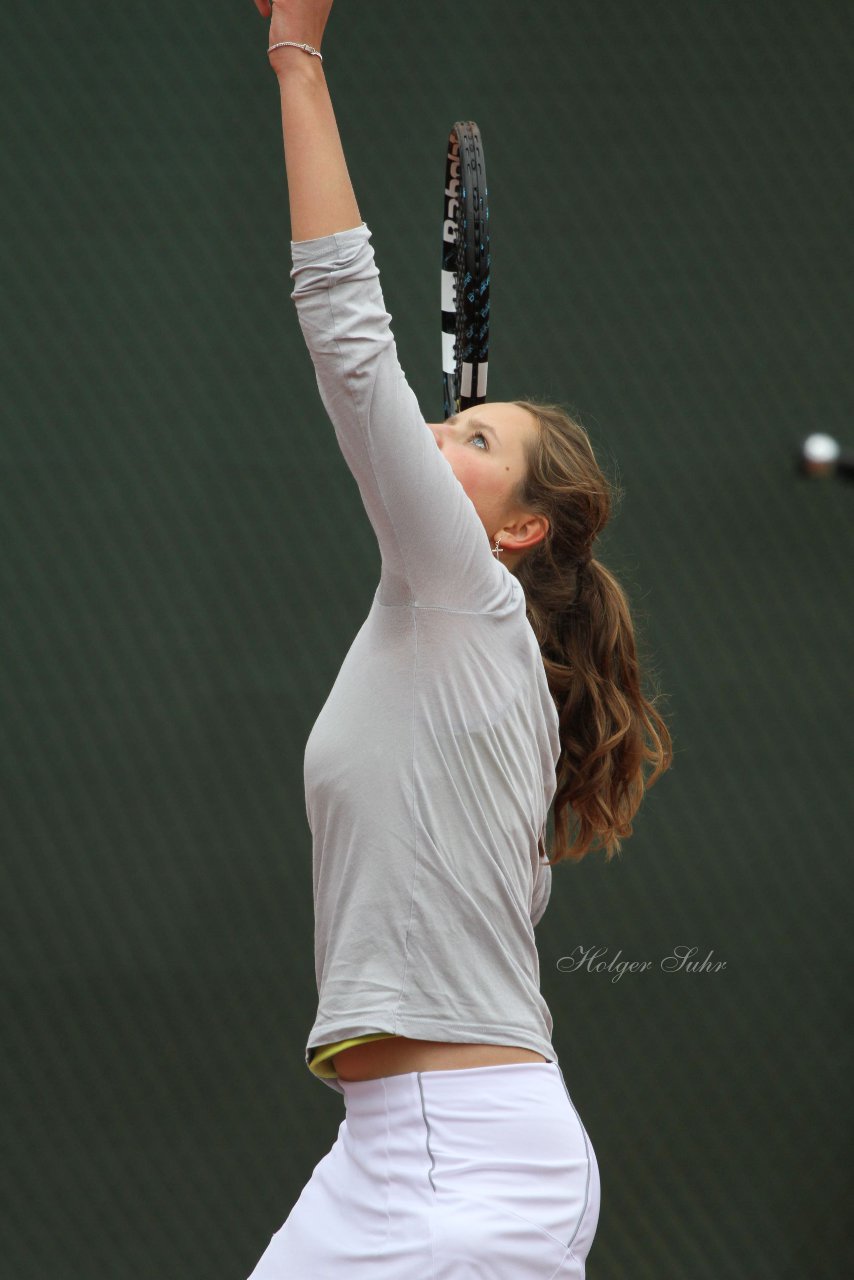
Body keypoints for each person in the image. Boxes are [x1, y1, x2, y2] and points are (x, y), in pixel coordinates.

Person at [247, 2, 673, 1276]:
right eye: (453, 427)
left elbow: (347, 332)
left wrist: (296, 55)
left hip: (466, 1163)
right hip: (388, 1148)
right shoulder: (459, 636)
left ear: (522, 532)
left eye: (475, 440)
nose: (444, 436)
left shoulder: (466, 598)